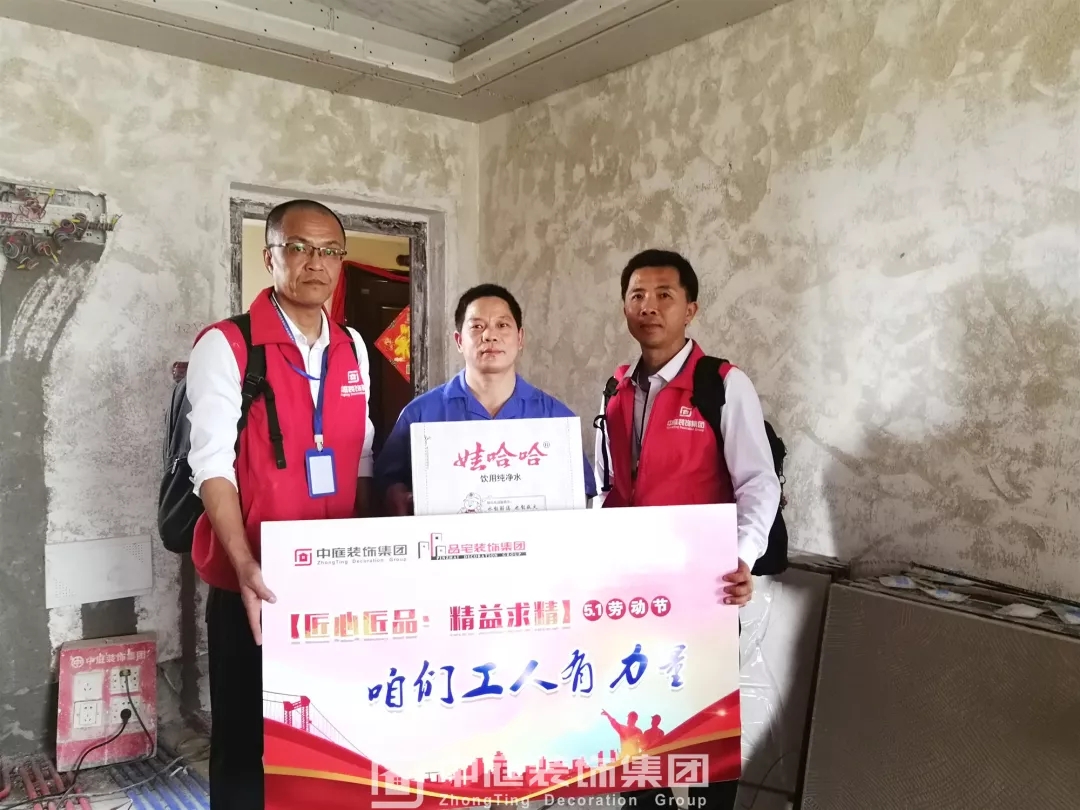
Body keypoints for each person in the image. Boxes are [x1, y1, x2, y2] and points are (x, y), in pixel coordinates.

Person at [185, 199, 375, 809]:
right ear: (271, 257)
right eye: (298, 247)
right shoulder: (229, 345)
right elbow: (210, 465)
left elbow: (361, 454)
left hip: (331, 577)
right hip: (254, 579)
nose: (315, 262)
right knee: (244, 740)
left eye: (329, 250)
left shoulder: (353, 346)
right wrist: (243, 564)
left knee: (327, 729)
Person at [594, 249, 781, 810]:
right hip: (632, 588)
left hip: (703, 588)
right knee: (635, 717)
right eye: (636, 296)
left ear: (690, 309)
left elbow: (758, 481)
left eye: (663, 295)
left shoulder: (721, 384)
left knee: (705, 727)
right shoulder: (615, 388)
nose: (648, 307)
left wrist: (743, 556)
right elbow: (606, 485)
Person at [374, 283, 596, 513]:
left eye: (502, 325)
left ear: (520, 338)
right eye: (477, 326)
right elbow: (385, 482)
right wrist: (395, 495)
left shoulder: (555, 417)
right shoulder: (419, 415)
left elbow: (582, 490)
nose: (490, 335)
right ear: (459, 341)